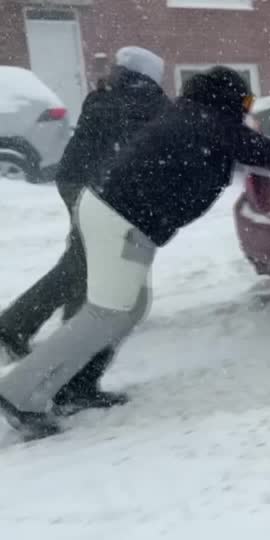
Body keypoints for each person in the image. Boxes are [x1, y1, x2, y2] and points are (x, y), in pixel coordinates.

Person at [0, 66, 270, 441]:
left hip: (111, 211)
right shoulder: (211, 122)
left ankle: (76, 387)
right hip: (121, 221)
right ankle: (18, 392)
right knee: (107, 312)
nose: (246, 110)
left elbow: (252, 146)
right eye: (246, 101)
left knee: (129, 307)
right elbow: (265, 152)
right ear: (228, 98)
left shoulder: (191, 114)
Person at [0, 46, 169, 416]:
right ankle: (53, 353)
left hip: (79, 182)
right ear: (149, 76)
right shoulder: (140, 100)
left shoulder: (107, 93)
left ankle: (29, 331)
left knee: (82, 264)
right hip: (96, 190)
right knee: (87, 269)